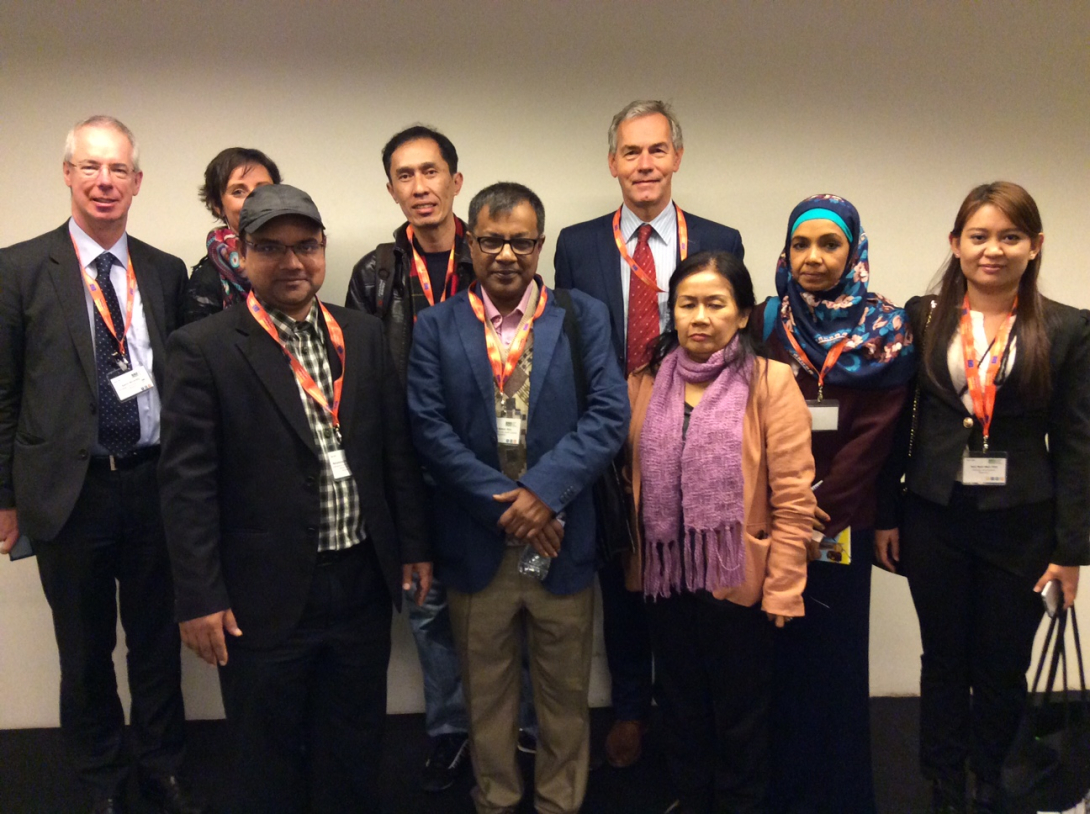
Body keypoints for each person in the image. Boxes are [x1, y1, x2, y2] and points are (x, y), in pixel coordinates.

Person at [157, 184, 432, 814]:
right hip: (263, 592)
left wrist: (414, 545)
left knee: (355, 744)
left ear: (323, 248)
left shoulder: (360, 334)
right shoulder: (203, 347)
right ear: (243, 253)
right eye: (271, 248)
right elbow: (187, 483)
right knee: (266, 755)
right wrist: (199, 595)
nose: (292, 262)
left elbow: (395, 451)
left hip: (360, 582)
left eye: (306, 246)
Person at [0, 116, 204, 814]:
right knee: (84, 653)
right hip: (71, 493)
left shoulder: (165, 271)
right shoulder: (18, 269)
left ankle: (162, 770)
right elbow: (2, 394)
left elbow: (177, 385)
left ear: (137, 182)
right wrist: (5, 496)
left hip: (151, 484)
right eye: (90, 167)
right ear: (67, 174)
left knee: (156, 643)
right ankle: (100, 783)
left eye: (118, 169)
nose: (104, 181)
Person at [406, 182, 629, 814]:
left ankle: (561, 803)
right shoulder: (436, 325)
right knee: (487, 697)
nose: (507, 254)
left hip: (563, 542)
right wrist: (513, 506)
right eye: (492, 240)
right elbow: (429, 427)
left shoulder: (583, 315)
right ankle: (497, 800)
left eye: (522, 241)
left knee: (563, 696)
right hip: (479, 545)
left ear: (540, 244)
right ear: (470, 242)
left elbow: (609, 416)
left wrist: (544, 495)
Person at [875, 182, 1090, 814]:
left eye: (1009, 237)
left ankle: (993, 781)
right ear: (956, 244)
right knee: (942, 658)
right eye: (979, 236)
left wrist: (1072, 550)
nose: (992, 250)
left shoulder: (1069, 328)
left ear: (1035, 246)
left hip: (1023, 523)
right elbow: (894, 424)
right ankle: (942, 785)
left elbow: (1079, 444)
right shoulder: (921, 315)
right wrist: (887, 513)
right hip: (933, 515)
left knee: (1002, 663)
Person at [553, 99, 744, 767]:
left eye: (657, 150)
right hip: (612, 432)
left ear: (677, 158)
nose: (644, 164)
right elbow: (567, 343)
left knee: (689, 569)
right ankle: (632, 705)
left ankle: (690, 706)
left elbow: (734, 339)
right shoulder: (577, 244)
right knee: (625, 573)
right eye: (631, 152)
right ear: (612, 163)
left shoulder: (719, 238)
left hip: (696, 426)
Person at [346, 126, 529, 792]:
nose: (419, 187)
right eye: (404, 175)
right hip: (413, 465)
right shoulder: (375, 272)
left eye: (431, 172)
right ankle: (452, 731)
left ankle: (524, 728)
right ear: (391, 188)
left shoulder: (497, 250)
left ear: (457, 180)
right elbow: (364, 373)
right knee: (428, 607)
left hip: (497, 459)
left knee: (514, 597)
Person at [626, 250, 814, 814]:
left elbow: (794, 496)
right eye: (688, 304)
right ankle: (690, 798)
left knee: (741, 715)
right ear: (673, 313)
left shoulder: (770, 381)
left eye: (715, 303)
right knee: (680, 706)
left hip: (739, 580)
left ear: (740, 314)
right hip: (667, 578)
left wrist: (784, 586)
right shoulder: (645, 380)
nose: (700, 317)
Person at [751, 194, 915, 814]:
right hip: (771, 513)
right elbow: (748, 418)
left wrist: (822, 507)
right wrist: (785, 505)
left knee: (838, 663)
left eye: (830, 244)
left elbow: (879, 435)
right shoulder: (766, 321)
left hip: (843, 518)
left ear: (855, 251)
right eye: (801, 244)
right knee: (776, 657)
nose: (813, 258)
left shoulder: (887, 328)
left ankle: (841, 796)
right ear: (786, 251)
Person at [183, 147, 281, 324]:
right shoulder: (206, 280)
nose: (253, 198)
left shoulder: (297, 258)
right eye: (238, 191)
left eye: (263, 189)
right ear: (217, 206)